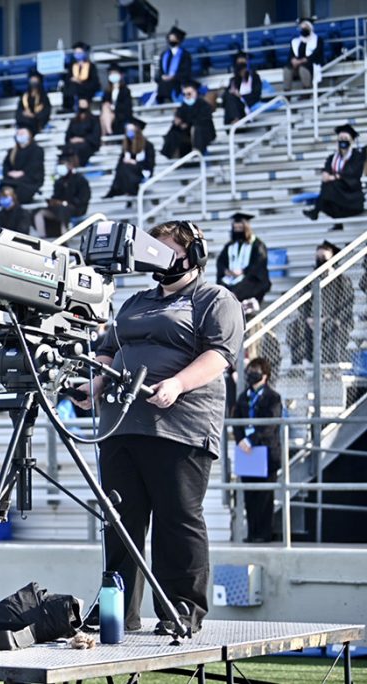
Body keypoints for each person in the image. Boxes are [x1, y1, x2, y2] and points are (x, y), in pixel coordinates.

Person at [72, 220, 245, 635]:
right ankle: (117, 610)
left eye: (170, 251)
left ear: (194, 254)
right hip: (121, 425)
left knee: (177, 519)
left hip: (180, 426)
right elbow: (110, 351)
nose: (160, 260)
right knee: (119, 521)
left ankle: (180, 609)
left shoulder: (214, 298)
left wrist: (178, 383)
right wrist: (94, 385)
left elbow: (220, 355)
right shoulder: (135, 301)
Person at [231, 357, 282, 544]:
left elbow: (269, 424)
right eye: (250, 371)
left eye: (256, 371)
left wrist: (251, 440)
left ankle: (264, 533)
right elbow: (236, 421)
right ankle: (252, 533)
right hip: (247, 453)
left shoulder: (273, 397)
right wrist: (241, 440)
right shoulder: (243, 397)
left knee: (265, 496)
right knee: (250, 496)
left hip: (266, 452)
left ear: (265, 375)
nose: (251, 375)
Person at [286, 240, 355, 366]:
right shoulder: (311, 280)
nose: (320, 260)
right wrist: (308, 318)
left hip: (336, 321)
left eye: (323, 257)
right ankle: (300, 366)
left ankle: (329, 365)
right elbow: (303, 304)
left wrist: (325, 318)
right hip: (313, 320)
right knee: (294, 326)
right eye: (318, 257)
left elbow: (346, 305)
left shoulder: (342, 281)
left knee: (329, 325)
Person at [304, 124, 365, 231]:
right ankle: (336, 222)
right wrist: (326, 174)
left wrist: (335, 177)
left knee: (330, 186)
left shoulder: (357, 156)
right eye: (340, 138)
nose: (343, 141)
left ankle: (316, 211)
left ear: (352, 140)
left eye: (346, 138)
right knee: (328, 187)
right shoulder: (332, 158)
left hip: (352, 196)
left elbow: (352, 173)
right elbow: (326, 170)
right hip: (337, 196)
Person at [215, 212, 271, 306]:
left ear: (246, 228)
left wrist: (243, 271)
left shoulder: (257, 245)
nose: (238, 231)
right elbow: (220, 262)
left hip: (250, 281)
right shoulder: (230, 246)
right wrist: (226, 271)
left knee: (236, 293)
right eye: (235, 228)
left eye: (240, 228)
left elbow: (259, 264)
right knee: (221, 291)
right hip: (231, 279)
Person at [34, 153, 89, 238]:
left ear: (70, 165)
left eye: (63, 164)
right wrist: (53, 201)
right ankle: (43, 235)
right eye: (59, 164)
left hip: (76, 208)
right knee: (38, 212)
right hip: (59, 207)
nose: (60, 167)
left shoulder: (80, 180)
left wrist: (66, 203)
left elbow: (84, 198)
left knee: (62, 210)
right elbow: (56, 196)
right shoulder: (59, 181)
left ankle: (64, 235)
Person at [161, 81, 215, 158]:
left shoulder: (203, 105)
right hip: (187, 134)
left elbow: (204, 120)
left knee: (197, 128)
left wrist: (187, 124)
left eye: (189, 94)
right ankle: (172, 154)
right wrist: (178, 122)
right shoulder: (183, 106)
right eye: (184, 94)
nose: (186, 96)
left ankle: (197, 151)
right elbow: (179, 119)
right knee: (173, 132)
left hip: (203, 132)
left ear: (195, 92)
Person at [105, 117, 155, 198]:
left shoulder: (147, 146)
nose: (129, 133)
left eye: (131, 130)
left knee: (127, 167)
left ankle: (130, 190)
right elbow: (120, 163)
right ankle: (122, 189)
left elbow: (150, 164)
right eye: (127, 130)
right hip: (128, 172)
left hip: (141, 171)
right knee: (123, 167)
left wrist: (134, 162)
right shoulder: (127, 146)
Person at [1, 128, 44, 204]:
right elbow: (6, 165)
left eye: (23, 133)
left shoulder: (37, 150)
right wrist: (10, 173)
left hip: (29, 181)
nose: (20, 135)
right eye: (19, 134)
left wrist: (22, 172)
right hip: (12, 180)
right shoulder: (12, 152)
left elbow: (35, 166)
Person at [284, 17, 325, 92]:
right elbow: (291, 54)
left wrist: (302, 61)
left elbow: (316, 54)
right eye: (302, 28)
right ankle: (287, 92)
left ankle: (306, 91)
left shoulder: (318, 40)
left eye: (306, 28)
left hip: (311, 64)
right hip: (297, 65)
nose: (303, 30)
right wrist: (293, 60)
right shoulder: (295, 41)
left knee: (303, 68)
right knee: (287, 69)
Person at [222, 52, 262, 125]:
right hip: (236, 106)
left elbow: (257, 95)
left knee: (231, 97)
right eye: (239, 67)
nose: (242, 70)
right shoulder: (233, 80)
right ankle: (235, 119)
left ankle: (236, 119)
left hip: (247, 104)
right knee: (228, 95)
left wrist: (240, 96)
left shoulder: (254, 77)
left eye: (243, 66)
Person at [156, 27, 192, 104]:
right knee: (162, 84)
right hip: (164, 84)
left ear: (179, 40)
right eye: (170, 38)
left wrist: (173, 77)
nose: (171, 40)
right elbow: (161, 71)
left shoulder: (185, 55)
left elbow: (186, 72)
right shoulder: (164, 55)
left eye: (173, 38)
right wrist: (162, 76)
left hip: (178, 82)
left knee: (170, 85)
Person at [62, 42, 101, 112]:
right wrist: (74, 80)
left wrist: (80, 82)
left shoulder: (91, 66)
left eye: (80, 52)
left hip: (87, 89)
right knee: (68, 88)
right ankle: (69, 108)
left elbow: (95, 82)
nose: (77, 54)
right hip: (75, 89)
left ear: (84, 53)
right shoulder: (72, 66)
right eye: (76, 53)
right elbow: (68, 79)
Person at [63, 97, 101, 166]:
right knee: (67, 149)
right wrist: (73, 140)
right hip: (73, 144)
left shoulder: (94, 120)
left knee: (79, 150)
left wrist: (82, 139)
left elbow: (96, 136)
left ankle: (76, 165)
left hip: (88, 144)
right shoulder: (74, 120)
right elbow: (68, 136)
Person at [100, 63, 133, 136]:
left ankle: (107, 134)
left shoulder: (125, 90)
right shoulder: (107, 91)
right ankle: (109, 131)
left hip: (120, 115)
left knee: (104, 116)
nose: (113, 75)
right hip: (109, 114)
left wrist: (113, 107)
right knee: (105, 109)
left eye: (115, 73)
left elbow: (127, 107)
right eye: (111, 73)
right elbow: (103, 104)